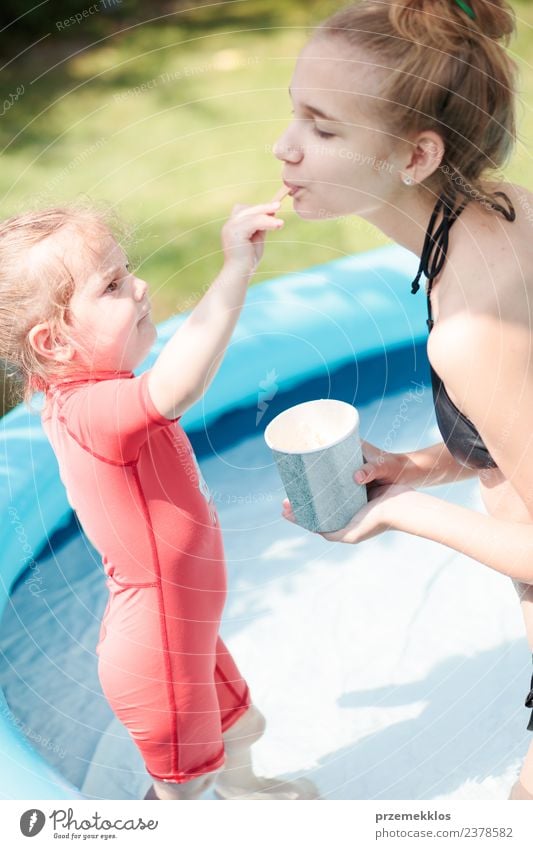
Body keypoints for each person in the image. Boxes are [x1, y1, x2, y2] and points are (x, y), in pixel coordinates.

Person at [273, 0, 533, 800]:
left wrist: (391, 513)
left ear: (415, 153)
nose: (283, 149)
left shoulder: (466, 332)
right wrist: (413, 467)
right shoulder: (514, 212)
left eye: (321, 128)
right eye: (293, 115)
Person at [0, 200, 318, 801]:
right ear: (55, 341)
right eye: (113, 285)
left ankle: (249, 797)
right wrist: (235, 271)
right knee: (182, 785)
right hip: (160, 644)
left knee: (239, 725)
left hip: (187, 625)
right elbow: (179, 382)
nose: (142, 286)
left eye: (129, 269)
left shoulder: (96, 389)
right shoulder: (89, 410)